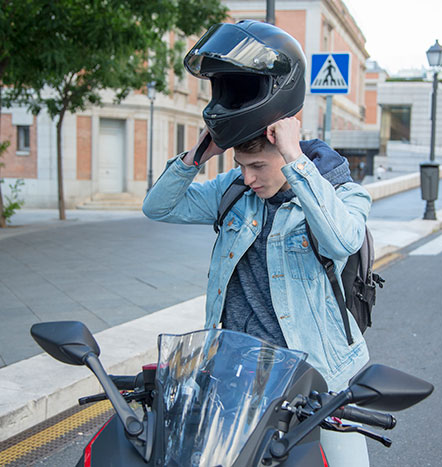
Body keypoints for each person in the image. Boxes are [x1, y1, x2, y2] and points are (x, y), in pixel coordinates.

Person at [143, 20, 371, 466]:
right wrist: (195, 158)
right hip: (239, 378)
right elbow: (159, 207)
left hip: (315, 381)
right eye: (240, 164)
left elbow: (342, 240)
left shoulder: (341, 193)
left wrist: (297, 162)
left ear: (284, 151)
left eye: (258, 167)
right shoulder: (235, 193)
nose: (247, 177)